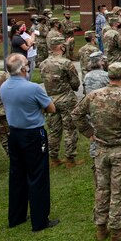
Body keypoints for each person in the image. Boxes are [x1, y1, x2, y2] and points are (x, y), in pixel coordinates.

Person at [72, 62, 121, 241]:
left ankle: (101, 228)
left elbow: (76, 114)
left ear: (108, 76)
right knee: (120, 189)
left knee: (102, 189)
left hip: (101, 149)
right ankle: (116, 232)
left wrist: (90, 134)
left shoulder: (94, 95)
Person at [0, 53, 59, 232]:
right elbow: (51, 108)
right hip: (33, 134)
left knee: (17, 175)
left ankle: (16, 216)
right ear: (24, 69)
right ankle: (40, 220)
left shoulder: (3, 86)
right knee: (38, 175)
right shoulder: (33, 88)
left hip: (15, 134)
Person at [39, 36, 83, 168]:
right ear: (60, 47)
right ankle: (70, 159)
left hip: (50, 101)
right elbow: (75, 83)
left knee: (54, 130)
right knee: (70, 129)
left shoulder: (43, 64)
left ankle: (53, 158)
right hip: (66, 99)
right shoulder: (66, 63)